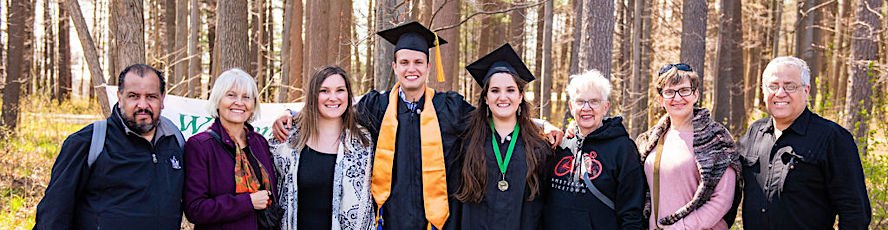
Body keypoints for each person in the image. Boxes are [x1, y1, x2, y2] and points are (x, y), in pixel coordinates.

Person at [271, 21, 563, 230]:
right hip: (388, 218)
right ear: (395, 66)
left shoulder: (449, 107)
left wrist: (542, 126)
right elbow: (335, 107)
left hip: (439, 221)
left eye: (418, 62)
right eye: (405, 62)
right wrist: (290, 114)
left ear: (427, 66)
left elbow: (494, 114)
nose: (411, 68)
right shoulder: (376, 106)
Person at [35, 64, 184, 229]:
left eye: (151, 97)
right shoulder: (88, 142)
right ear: (120, 98)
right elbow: (52, 215)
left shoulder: (174, 140)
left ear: (162, 99)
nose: (142, 105)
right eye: (133, 96)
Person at [738, 56, 871, 229]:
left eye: (790, 86)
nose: (780, 93)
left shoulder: (833, 138)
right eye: (773, 86)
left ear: (806, 90)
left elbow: (856, 213)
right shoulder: (754, 133)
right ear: (764, 91)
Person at [457, 43, 553, 229]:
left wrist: (544, 125)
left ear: (520, 96)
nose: (503, 97)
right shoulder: (467, 140)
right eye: (495, 91)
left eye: (510, 90)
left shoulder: (539, 147)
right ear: (485, 98)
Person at [268, 66, 375, 229]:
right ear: (313, 96)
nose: (333, 97)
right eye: (324, 91)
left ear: (348, 95)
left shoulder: (363, 143)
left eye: (340, 90)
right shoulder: (287, 139)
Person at [635, 63, 740, 230]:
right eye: (669, 92)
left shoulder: (717, 137)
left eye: (684, 90)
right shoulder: (650, 139)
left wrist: (681, 227)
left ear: (695, 94)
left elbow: (723, 199)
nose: (677, 98)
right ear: (661, 99)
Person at [543, 70, 645, 229]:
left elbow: (631, 213)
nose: (586, 108)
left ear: (605, 107)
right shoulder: (559, 145)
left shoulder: (623, 149)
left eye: (594, 101)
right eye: (580, 101)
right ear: (571, 106)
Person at [182, 68, 278, 229]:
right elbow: (195, 209)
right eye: (231, 95)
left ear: (253, 104)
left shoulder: (259, 142)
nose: (239, 102)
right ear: (218, 101)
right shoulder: (200, 146)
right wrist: (247, 202)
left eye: (246, 97)